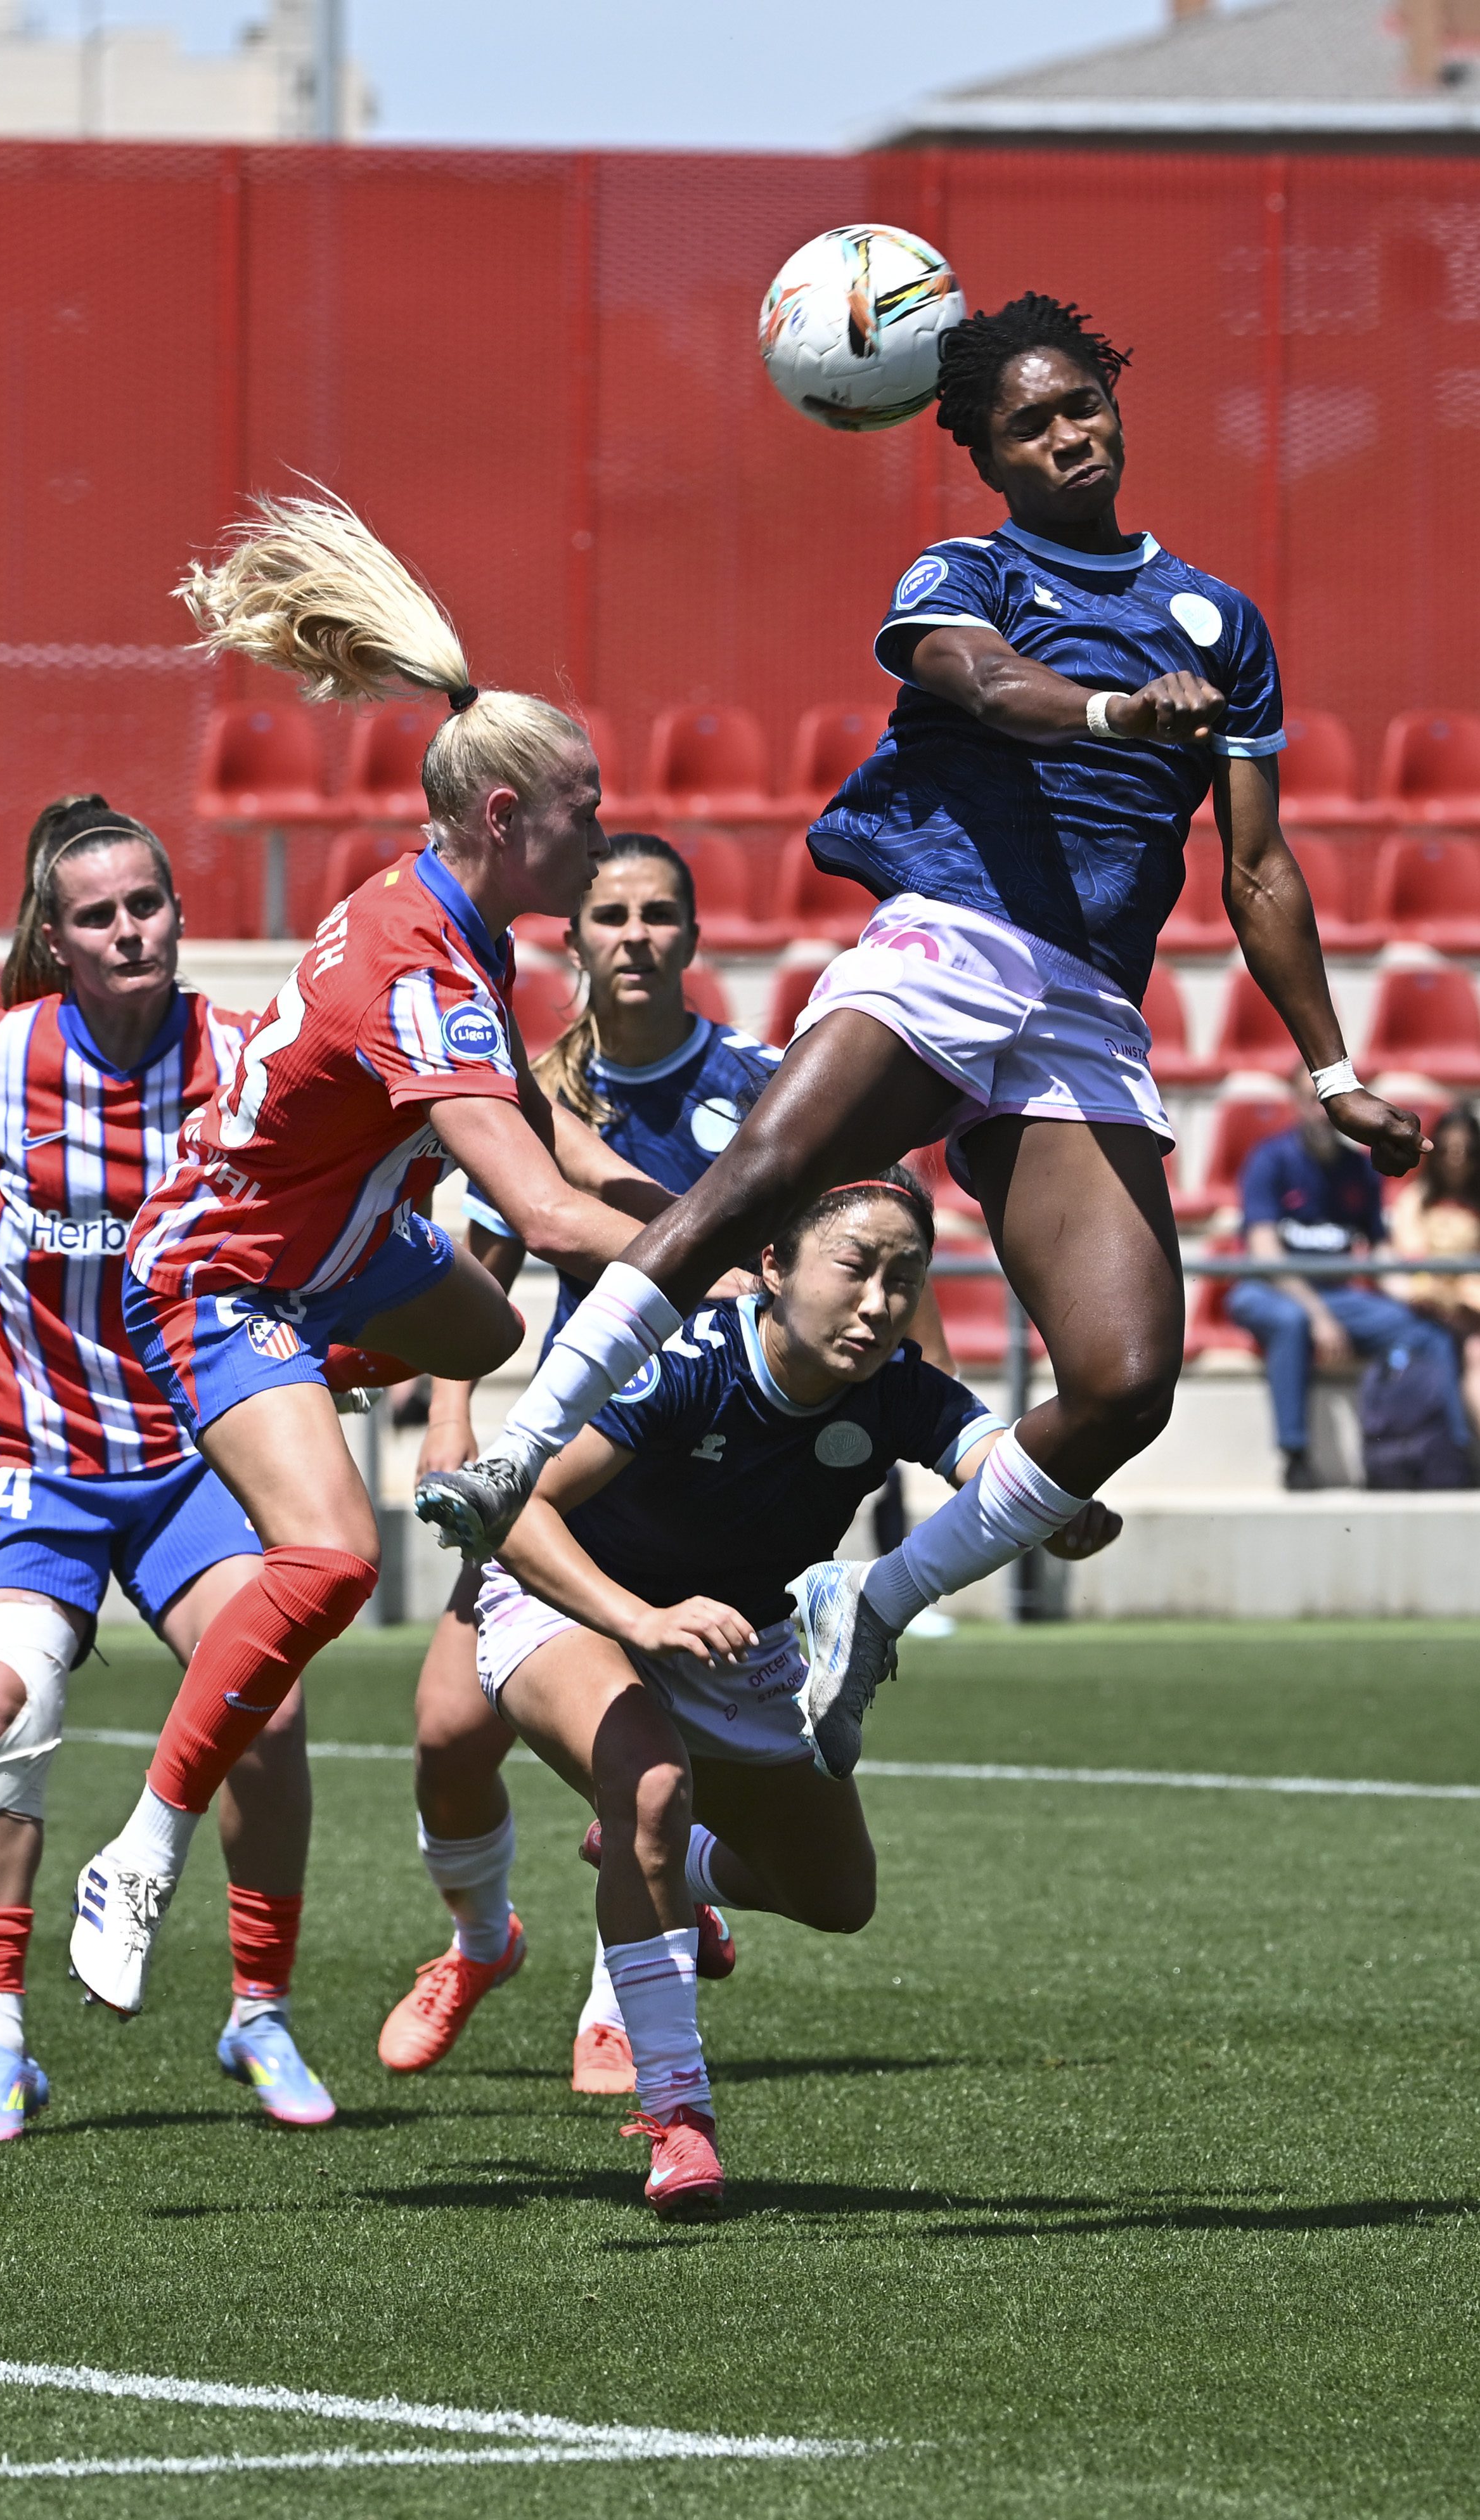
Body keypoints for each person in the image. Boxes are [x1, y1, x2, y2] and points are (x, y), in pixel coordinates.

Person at [417, 290, 1425, 1778]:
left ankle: (872, 1605)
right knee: (759, 1178)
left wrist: (1330, 1072)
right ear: (985, 455)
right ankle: (519, 1451)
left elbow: (1258, 870)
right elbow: (980, 680)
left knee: (1126, 1379)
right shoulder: (966, 572)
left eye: (1081, 404)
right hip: (950, 941)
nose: (1067, 436)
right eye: (1029, 424)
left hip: (1087, 1006)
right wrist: (1111, 716)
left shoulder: (1220, 621)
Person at [67, 496, 682, 2019]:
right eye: (583, 811)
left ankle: (293, 1384)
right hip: (221, 1273)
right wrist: (720, 1267)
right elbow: (544, 1209)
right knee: (335, 1557)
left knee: (481, 1336)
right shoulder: (421, 965)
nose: (600, 831)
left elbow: (548, 1135)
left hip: (335, 1258)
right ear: (503, 818)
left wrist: (706, 1200)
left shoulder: (460, 929)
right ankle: (139, 1847)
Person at [469, 1169, 1117, 2216]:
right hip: (576, 1601)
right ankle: (676, 2116)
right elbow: (519, 1509)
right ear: (771, 1265)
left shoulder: (897, 1387)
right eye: (854, 1267)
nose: (878, 1302)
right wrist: (639, 1618)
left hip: (736, 1638)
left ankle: (667, 1866)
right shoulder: (687, 1360)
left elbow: (991, 1459)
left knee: (835, 1897)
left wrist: (1057, 1504)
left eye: (904, 1279)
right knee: (647, 1784)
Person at [0, 794, 336, 2143]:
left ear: (178, 914)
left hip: (193, 1455)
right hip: (32, 1452)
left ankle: (259, 2012)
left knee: (268, 1706)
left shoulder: (241, 1058)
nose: (129, 929)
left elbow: (307, 1216)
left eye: (146, 903)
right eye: (98, 915)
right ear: (55, 938)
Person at [376, 831, 782, 2090]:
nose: (635, 937)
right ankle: (480, 1942)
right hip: (573, 1453)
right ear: (574, 938)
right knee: (449, 1736)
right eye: (610, 914)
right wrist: (451, 1415)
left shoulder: (762, 1085)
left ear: (694, 935)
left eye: (660, 914)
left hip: (711, 1462)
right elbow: (482, 1267)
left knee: (644, 1751)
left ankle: (627, 1994)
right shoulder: (536, 1093)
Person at [1225, 1069, 1467, 1487]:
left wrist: (1416, 1295)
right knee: (1291, 1322)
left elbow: (1379, 1249)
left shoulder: (1358, 1167)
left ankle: (1451, 1448)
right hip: (1268, 1291)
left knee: (1428, 1334)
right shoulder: (1269, 1159)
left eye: (1326, 1101)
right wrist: (1317, 1315)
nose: (1320, 1112)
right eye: (1311, 1099)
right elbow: (1265, 1255)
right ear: (1295, 1104)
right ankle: (1295, 1455)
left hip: (1337, 1298)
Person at [1387, 1106, 1480, 1440]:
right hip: (1428, 1309)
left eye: (1466, 1152)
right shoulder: (1415, 1201)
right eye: (1449, 1151)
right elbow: (1414, 1267)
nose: (1457, 1161)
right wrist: (1447, 1303)